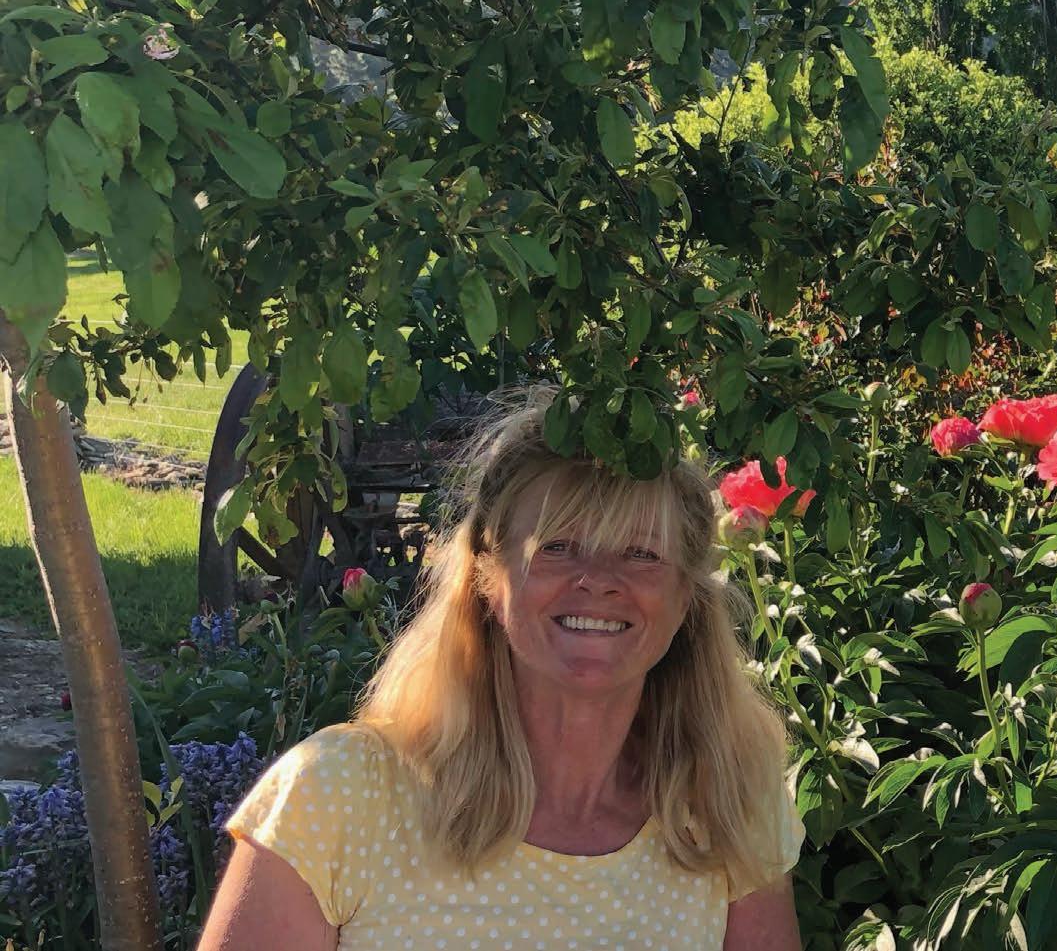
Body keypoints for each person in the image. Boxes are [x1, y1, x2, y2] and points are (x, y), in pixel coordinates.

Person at [198, 391, 804, 949]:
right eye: (557, 546)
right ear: (487, 576)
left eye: (641, 553)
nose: (598, 580)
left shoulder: (728, 806)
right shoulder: (338, 796)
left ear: (686, 596)